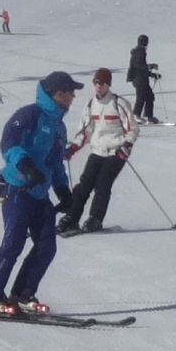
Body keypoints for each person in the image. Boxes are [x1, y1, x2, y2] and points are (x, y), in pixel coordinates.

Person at [0, 71, 83, 315]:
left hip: (39, 193)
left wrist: (63, 190)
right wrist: (25, 166)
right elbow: (9, 144)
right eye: (68, 92)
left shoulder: (59, 127)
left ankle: (23, 294)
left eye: (72, 92)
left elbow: (56, 162)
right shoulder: (29, 115)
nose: (72, 97)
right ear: (54, 93)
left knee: (46, 246)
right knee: (13, 242)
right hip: (18, 188)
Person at [56, 68, 139, 234]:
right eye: (96, 83)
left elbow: (133, 129)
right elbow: (85, 131)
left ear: (108, 84)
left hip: (116, 151)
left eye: (102, 83)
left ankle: (95, 218)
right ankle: (72, 218)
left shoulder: (119, 103)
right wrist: (73, 148)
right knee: (83, 186)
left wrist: (126, 146)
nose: (99, 86)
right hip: (97, 150)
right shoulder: (90, 105)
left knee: (102, 185)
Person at [127, 34, 161, 124]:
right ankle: (136, 116)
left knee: (149, 96)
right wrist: (152, 74)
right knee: (142, 97)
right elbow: (140, 67)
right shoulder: (140, 52)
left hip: (139, 78)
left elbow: (141, 65)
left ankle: (148, 116)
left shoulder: (139, 51)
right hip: (139, 79)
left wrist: (150, 67)